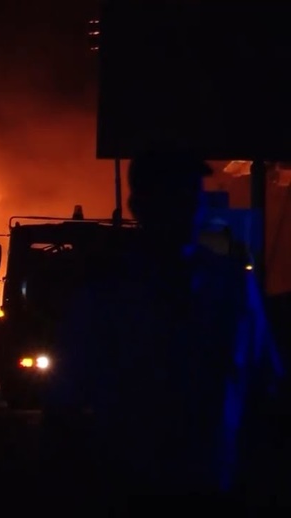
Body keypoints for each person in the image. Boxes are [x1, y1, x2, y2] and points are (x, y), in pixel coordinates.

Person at [43, 147, 284, 503]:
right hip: (132, 487)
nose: (189, 207)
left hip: (216, 485)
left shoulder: (231, 285)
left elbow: (266, 384)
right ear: (141, 207)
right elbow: (68, 400)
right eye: (174, 196)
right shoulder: (108, 291)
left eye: (194, 195)